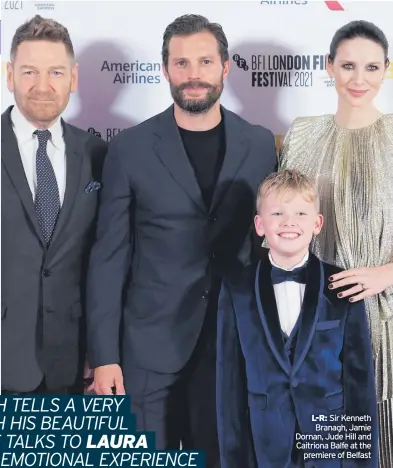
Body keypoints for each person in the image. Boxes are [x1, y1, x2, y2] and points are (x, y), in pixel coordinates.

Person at [86, 13, 277, 464]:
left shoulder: (260, 144)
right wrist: (104, 356)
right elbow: (109, 257)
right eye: (181, 63)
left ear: (226, 68)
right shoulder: (130, 148)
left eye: (205, 62)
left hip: (232, 346)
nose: (194, 75)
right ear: (165, 68)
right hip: (148, 352)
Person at [279, 20, 393, 468]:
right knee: (324, 444)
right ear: (329, 67)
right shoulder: (302, 134)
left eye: (371, 67)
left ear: (387, 70)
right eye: (347, 65)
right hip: (316, 318)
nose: (358, 79)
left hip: (385, 320)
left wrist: (385, 274)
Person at [217, 169, 378, 467]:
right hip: (264, 445)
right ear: (259, 224)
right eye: (277, 212)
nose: (289, 222)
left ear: (317, 224)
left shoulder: (342, 285)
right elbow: (229, 385)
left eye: (301, 213)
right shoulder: (236, 287)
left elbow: (359, 383)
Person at [1, 15, 107, 395]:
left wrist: (103, 350)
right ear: (9, 75)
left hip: (72, 365)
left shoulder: (98, 154)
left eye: (56, 73)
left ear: (74, 79)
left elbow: (105, 259)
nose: (42, 86)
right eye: (29, 72)